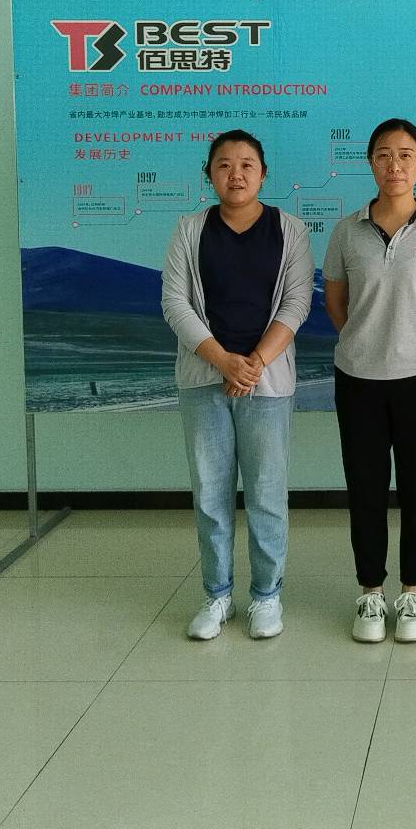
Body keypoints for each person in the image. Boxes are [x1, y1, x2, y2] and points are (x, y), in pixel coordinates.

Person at [162, 130, 314, 641]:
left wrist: (253, 364)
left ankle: (267, 596)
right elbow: (174, 302)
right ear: (208, 174)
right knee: (210, 493)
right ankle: (217, 594)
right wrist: (223, 361)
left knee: (267, 494)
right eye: (224, 164)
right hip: (204, 379)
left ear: (264, 174)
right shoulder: (190, 229)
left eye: (247, 164)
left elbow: (297, 303)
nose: (236, 174)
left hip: (267, 383)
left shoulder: (290, 230)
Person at [323, 119, 416, 643]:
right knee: (365, 488)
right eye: (384, 154)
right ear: (370, 162)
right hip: (358, 378)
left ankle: (412, 593)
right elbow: (336, 302)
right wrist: (369, 343)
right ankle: (370, 592)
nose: (395, 165)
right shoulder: (346, 231)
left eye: (406, 155)